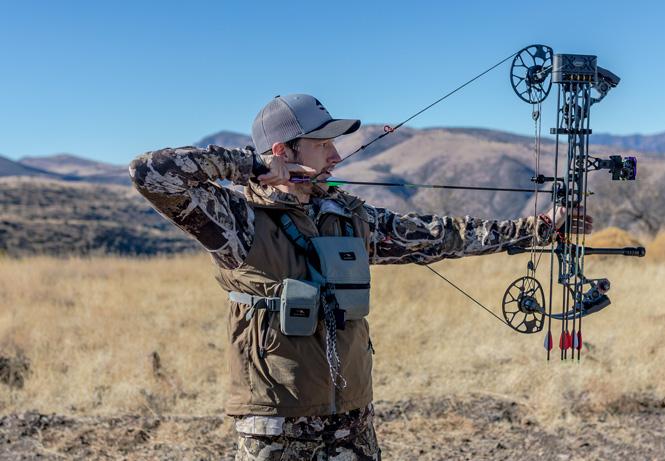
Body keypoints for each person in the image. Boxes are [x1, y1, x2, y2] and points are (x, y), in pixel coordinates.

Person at [129, 94, 592, 460]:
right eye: (322, 144)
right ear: (282, 151)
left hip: (351, 418)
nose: (335, 155)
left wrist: (539, 228)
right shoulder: (236, 219)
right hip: (276, 422)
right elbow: (150, 173)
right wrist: (249, 166)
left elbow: (440, 236)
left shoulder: (348, 215)